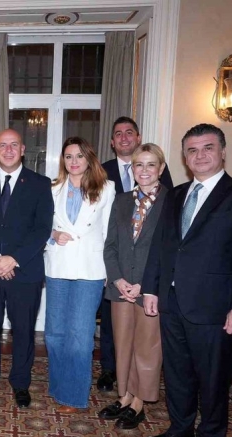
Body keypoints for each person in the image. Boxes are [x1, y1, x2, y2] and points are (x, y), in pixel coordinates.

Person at [142, 123, 232, 437]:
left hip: (216, 308)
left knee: (212, 380)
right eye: (192, 150)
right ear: (185, 157)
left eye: (208, 148)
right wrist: (151, 289)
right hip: (172, 302)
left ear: (223, 151)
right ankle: (180, 430)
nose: (200, 155)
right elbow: (161, 246)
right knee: (177, 373)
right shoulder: (176, 195)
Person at [0, 128, 53, 408]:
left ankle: (21, 383)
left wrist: (13, 259)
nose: (8, 150)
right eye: (3, 145)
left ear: (23, 150)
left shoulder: (40, 184)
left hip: (24, 272)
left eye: (14, 145)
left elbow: (42, 228)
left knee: (24, 331)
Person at [97, 116, 174, 392]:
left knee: (147, 349)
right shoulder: (121, 201)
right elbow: (110, 245)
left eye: (151, 165)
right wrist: (118, 280)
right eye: (139, 165)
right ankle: (125, 396)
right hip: (121, 288)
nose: (144, 170)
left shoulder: (172, 201)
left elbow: (169, 251)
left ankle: (140, 401)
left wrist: (144, 284)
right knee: (122, 346)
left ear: (161, 168)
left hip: (149, 288)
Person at [44, 136, 115, 413]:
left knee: (80, 336)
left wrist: (110, 270)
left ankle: (73, 395)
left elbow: (109, 233)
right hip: (58, 266)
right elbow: (40, 225)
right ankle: (58, 386)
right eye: (68, 156)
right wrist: (53, 234)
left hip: (90, 270)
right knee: (54, 334)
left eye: (79, 156)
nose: (74, 161)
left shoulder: (106, 188)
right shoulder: (52, 189)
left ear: (89, 158)